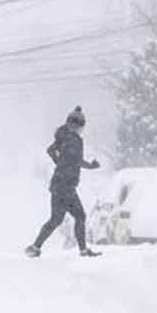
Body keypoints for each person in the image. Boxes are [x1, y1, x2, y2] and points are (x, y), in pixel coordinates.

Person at [26, 106, 102, 257]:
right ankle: (83, 250)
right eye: (81, 127)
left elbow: (51, 150)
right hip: (66, 186)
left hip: (58, 184)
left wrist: (59, 162)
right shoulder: (74, 139)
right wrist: (90, 166)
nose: (81, 130)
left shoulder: (63, 135)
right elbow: (76, 160)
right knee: (80, 216)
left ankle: (35, 248)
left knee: (56, 219)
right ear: (78, 125)